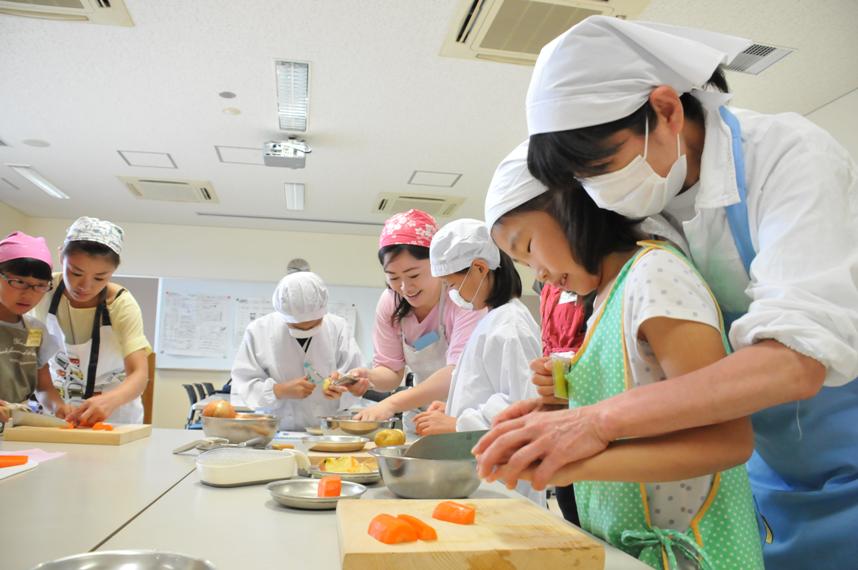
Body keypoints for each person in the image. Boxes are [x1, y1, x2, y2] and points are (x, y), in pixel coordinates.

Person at [475, 17, 858, 569]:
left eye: (601, 168)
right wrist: (577, 403)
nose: (598, 195)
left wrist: (594, 423)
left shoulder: (790, 156)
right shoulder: (648, 210)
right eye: (581, 185)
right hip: (772, 468)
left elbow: (797, 363)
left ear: (667, 111)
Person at [480, 141, 764, 568]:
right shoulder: (604, 301)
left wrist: (571, 464)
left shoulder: (655, 275)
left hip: (691, 553)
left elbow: (728, 440)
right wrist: (563, 406)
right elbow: (646, 402)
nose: (535, 272)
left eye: (528, 245)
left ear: (572, 203)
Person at [409, 218, 544, 505]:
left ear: (480, 269)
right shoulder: (492, 319)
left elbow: (523, 408)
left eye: (452, 284)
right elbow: (489, 388)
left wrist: (457, 424)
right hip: (484, 475)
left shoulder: (510, 326)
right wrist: (454, 407)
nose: (451, 293)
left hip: (508, 484)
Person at [349, 210, 485, 429]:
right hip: (420, 413)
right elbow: (391, 372)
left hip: (464, 416)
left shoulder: (462, 297)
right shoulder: (391, 302)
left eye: (413, 275)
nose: (405, 288)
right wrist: (369, 377)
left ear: (436, 263)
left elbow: (457, 371)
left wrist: (392, 403)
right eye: (393, 277)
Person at [33, 217, 152, 425]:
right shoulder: (43, 292)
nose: (85, 286)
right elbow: (38, 369)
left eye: (100, 278)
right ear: (61, 256)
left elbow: (139, 374)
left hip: (115, 413)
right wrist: (56, 406)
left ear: (114, 271)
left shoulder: (120, 303)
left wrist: (109, 401)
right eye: (76, 273)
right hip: (59, 408)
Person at [230, 271, 363, 431]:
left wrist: (342, 387)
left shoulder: (338, 327)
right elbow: (242, 383)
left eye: (314, 325)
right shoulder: (258, 331)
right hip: (275, 429)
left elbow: (356, 376)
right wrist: (279, 390)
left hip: (328, 429)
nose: (306, 331)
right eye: (295, 326)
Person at [0, 232, 68, 423]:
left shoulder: (34, 330)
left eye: (40, 285)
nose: (29, 294)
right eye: (19, 282)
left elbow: (44, 387)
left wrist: (59, 407)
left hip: (17, 425)